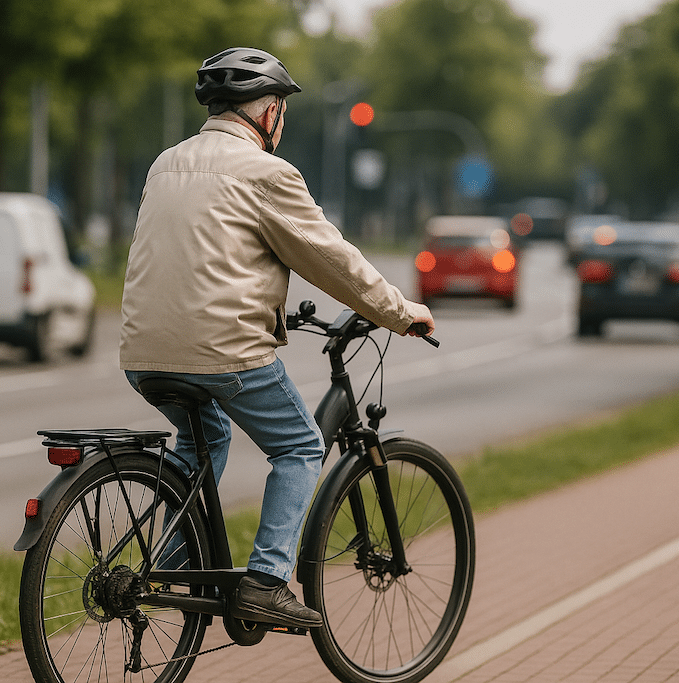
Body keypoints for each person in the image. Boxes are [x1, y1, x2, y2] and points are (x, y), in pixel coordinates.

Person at [119, 47, 434, 629]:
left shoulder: (165, 163)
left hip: (143, 351)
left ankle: (166, 571)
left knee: (202, 439)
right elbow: (329, 257)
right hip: (223, 351)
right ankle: (266, 581)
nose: (281, 122)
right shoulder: (266, 172)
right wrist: (398, 311)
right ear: (267, 114)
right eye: (281, 111)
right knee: (300, 447)